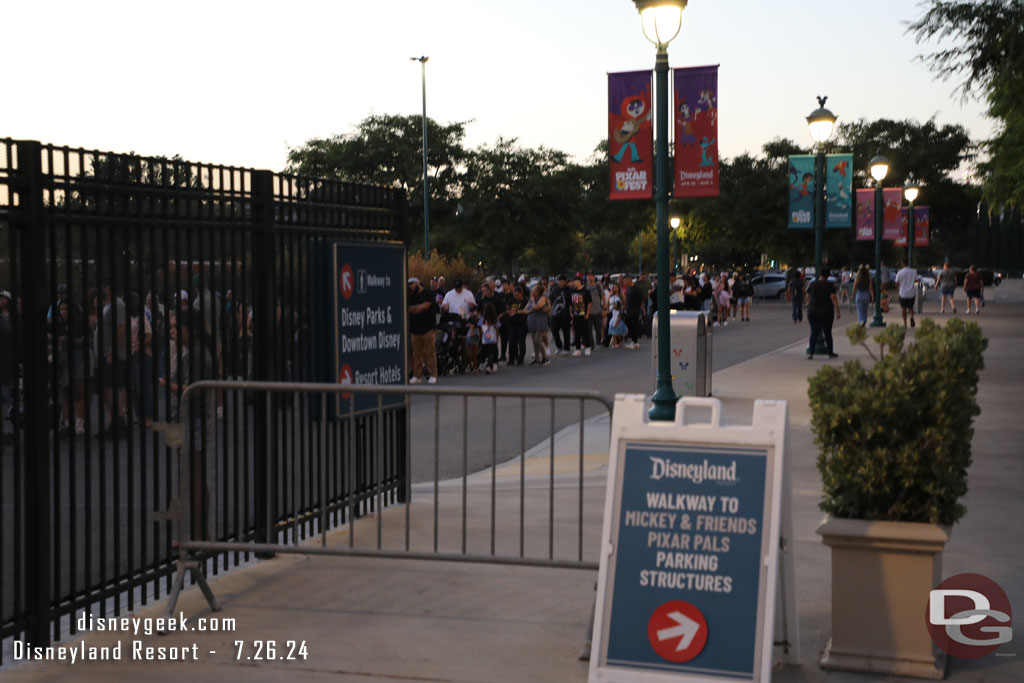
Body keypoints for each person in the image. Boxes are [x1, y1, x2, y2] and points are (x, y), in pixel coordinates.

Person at [407, 277, 438, 384]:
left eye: (412, 284)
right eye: (409, 285)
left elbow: (425, 307)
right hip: (415, 329)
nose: (410, 287)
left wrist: (414, 309)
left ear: (418, 283)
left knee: (430, 352)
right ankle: (417, 376)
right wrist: (417, 308)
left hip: (428, 328)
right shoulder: (411, 296)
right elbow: (408, 309)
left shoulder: (428, 293)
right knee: (417, 354)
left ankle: (433, 374)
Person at [805, 267, 840, 360]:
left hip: (813, 311)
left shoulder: (813, 284)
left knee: (814, 332)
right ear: (828, 275)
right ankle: (830, 352)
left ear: (819, 274)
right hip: (826, 311)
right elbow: (833, 298)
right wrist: (838, 311)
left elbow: (807, 295)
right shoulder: (830, 285)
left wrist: (809, 303)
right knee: (828, 332)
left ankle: (811, 353)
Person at [526, 283, 551, 366]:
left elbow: (536, 307)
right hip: (532, 321)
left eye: (535, 291)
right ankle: (537, 359)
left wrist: (533, 301)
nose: (532, 292)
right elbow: (525, 309)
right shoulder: (531, 299)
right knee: (534, 342)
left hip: (540, 322)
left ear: (538, 292)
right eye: (532, 290)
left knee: (538, 340)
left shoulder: (542, 298)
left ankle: (545, 358)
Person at [569, 275, 593, 356]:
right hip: (575, 314)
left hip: (583, 314)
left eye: (575, 281)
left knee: (585, 332)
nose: (573, 283)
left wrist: (587, 313)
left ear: (579, 282)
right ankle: (577, 348)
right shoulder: (572, 291)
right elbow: (570, 304)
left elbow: (589, 303)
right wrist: (570, 312)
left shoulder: (586, 291)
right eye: (573, 281)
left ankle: (587, 347)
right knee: (576, 332)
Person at [505, 285, 529, 365]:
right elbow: (507, 309)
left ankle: (520, 358)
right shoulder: (511, 300)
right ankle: (511, 358)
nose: (516, 296)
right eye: (515, 295)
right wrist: (509, 311)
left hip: (521, 323)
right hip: (512, 323)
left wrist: (516, 312)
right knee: (512, 342)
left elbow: (526, 311)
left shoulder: (525, 301)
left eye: (518, 295)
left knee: (521, 342)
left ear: (521, 294)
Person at [549, 275, 572, 355]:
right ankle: (559, 346)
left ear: (566, 282)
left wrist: (571, 314)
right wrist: (550, 310)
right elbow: (550, 299)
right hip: (555, 314)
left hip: (566, 315)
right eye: (559, 282)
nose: (560, 283)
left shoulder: (570, 290)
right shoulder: (555, 290)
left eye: (562, 282)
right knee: (554, 330)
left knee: (566, 332)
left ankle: (566, 348)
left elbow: (572, 303)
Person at [894, 259, 919, 328]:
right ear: (908, 264)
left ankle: (905, 323)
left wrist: (900, 284)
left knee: (903, 309)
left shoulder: (899, 272)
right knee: (911, 307)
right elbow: (916, 280)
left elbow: (896, 283)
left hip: (903, 293)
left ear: (902, 264)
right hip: (911, 292)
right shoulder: (914, 271)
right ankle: (911, 317)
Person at [623, 274, 645, 350]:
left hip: (635, 311)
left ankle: (635, 342)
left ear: (629, 280)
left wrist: (642, 309)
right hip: (628, 311)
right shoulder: (628, 289)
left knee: (634, 327)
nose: (624, 283)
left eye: (625, 281)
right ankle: (633, 341)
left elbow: (641, 300)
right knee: (630, 326)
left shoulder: (637, 289)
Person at [479, 303, 500, 374]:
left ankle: (484, 364)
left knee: (485, 351)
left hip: (485, 338)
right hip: (493, 338)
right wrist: (496, 336)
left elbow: (480, 326)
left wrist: (481, 335)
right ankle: (489, 366)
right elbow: (497, 328)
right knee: (492, 352)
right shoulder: (495, 318)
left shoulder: (483, 318)